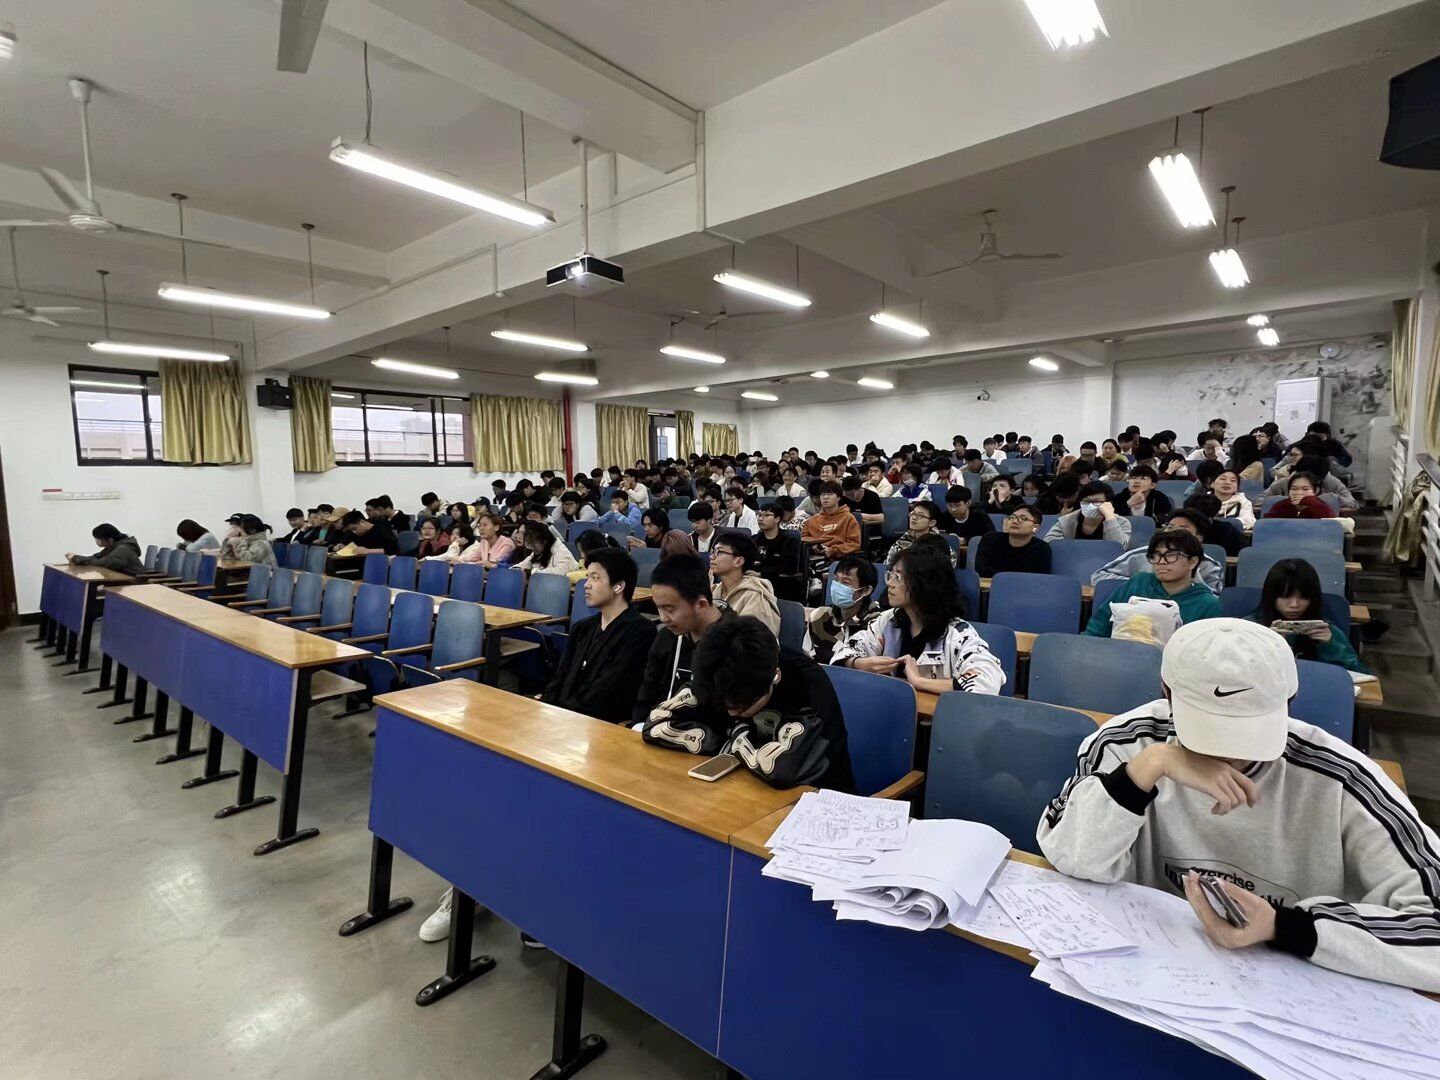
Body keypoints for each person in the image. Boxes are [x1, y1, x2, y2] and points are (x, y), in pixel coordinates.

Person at [1037, 618, 1440, 993]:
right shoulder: (1129, 743)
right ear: (1166, 693)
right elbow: (1073, 860)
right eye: (1208, 729)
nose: (1227, 755)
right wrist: (1147, 768)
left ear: (1290, 701)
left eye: (1246, 731)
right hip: (1152, 973)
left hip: (1290, 989)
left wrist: (1285, 926)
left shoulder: (1343, 779)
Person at [644, 616, 856, 791]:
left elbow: (782, 769)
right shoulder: (717, 667)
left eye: (740, 707)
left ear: (775, 676)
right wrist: (726, 743)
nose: (731, 713)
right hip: (738, 791)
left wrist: (735, 735)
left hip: (813, 802)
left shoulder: (807, 684)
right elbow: (656, 723)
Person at [831, 543, 1004, 697]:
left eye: (899, 577)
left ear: (925, 583)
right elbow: (847, 650)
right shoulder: (889, 620)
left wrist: (919, 681)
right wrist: (857, 663)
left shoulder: (957, 633)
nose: (890, 583)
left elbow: (986, 682)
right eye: (891, 575)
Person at [543, 547, 660, 722]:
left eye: (595, 578)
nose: (587, 584)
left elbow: (608, 686)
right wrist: (545, 709)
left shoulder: (640, 631)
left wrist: (565, 715)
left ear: (618, 586)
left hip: (600, 723)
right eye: (587, 577)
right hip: (565, 717)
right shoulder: (583, 628)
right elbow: (560, 677)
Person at [631, 554, 729, 728]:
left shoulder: (735, 642)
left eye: (669, 609)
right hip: (657, 731)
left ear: (701, 604)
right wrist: (639, 725)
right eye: (659, 608)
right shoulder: (666, 636)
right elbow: (647, 694)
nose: (663, 618)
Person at [1083, 530, 1221, 637]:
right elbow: (1100, 624)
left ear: (1192, 562)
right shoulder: (1138, 582)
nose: (1161, 562)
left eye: (1171, 555)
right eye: (1156, 555)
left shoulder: (1207, 604)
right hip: (1121, 655)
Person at [1248, 558, 1366, 673]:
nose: (1294, 605)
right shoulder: (1249, 629)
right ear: (1271, 597)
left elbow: (1359, 674)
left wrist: (1330, 647)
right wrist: (1266, 646)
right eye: (1285, 596)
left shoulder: (1326, 630)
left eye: (1303, 597)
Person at [1092, 510, 1224, 594]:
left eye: (1183, 529)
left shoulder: (1210, 566)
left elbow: (1213, 600)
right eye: (1170, 527)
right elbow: (1099, 576)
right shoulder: (1142, 554)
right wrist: (1139, 584)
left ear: (1199, 538)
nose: (1173, 533)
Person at [805, 556, 882, 663]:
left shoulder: (877, 624)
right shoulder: (819, 616)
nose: (837, 586)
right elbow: (805, 657)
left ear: (865, 590)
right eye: (836, 580)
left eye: (846, 583)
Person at [709, 530, 781, 636]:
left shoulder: (755, 596)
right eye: (712, 552)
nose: (711, 557)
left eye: (719, 552)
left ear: (739, 561)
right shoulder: (713, 591)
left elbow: (751, 640)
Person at [1259, 455, 1357, 513]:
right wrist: (1287, 501)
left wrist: (1330, 499)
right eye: (1295, 488)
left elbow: (1353, 503)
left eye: (1306, 488)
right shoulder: (1284, 482)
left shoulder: (1331, 481)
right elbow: (1259, 500)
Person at [974, 505, 1052, 576]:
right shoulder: (990, 539)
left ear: (1035, 528)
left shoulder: (1041, 548)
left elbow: (1038, 578)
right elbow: (981, 569)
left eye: (1023, 518)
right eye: (1012, 517)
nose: (1015, 521)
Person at [1046, 482, 1132, 544]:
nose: (1090, 506)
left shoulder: (1122, 522)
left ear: (1109, 503)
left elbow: (1119, 547)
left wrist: (1110, 518)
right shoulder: (1066, 520)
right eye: (1086, 501)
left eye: (1096, 502)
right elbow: (1049, 540)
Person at [754, 502, 803, 601]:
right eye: (759, 515)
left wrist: (762, 573)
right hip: (756, 584)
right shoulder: (754, 540)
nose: (761, 519)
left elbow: (790, 568)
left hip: (781, 585)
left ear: (777, 519)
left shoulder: (789, 540)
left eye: (766, 515)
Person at [802, 481, 862, 560]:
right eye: (822, 494)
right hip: (814, 557)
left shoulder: (848, 518)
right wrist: (813, 546)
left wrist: (833, 550)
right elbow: (803, 538)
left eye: (830, 494)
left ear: (838, 497)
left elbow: (854, 544)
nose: (825, 497)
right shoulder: (812, 520)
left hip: (840, 558)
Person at [886, 502, 954, 567]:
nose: (914, 518)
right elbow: (889, 564)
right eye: (913, 513)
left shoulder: (938, 543)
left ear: (932, 523)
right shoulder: (904, 539)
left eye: (920, 515)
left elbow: (949, 565)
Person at [67, 523, 144, 574]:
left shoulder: (124, 549)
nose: (97, 541)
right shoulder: (113, 546)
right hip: (121, 578)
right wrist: (76, 558)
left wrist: (76, 558)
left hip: (134, 581)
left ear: (109, 539)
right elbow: (97, 557)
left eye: (98, 538)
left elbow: (103, 563)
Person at [514, 520, 579, 576]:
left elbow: (561, 572)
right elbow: (524, 565)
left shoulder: (561, 552)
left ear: (544, 541)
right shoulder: (538, 551)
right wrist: (515, 569)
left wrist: (531, 572)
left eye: (534, 546)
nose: (533, 549)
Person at [1264, 472, 1335, 520]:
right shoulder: (1281, 506)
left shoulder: (1321, 506)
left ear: (1316, 491)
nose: (1299, 493)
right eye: (1294, 489)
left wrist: (1313, 503)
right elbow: (1267, 525)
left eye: (1305, 489)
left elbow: (1330, 526)